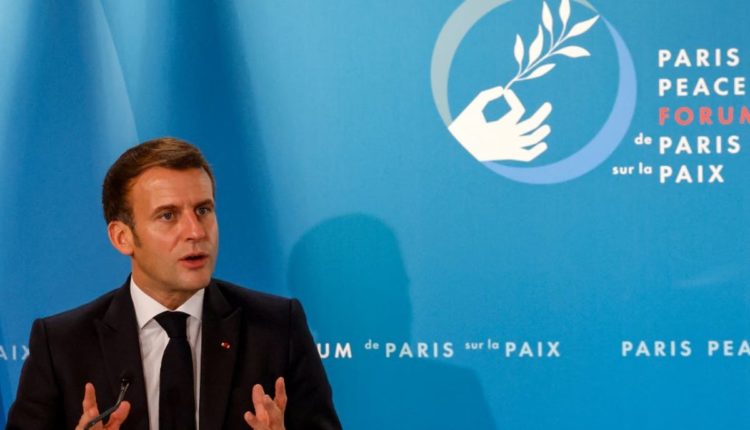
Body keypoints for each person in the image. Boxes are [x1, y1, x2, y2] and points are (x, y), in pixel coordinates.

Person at [6, 137, 341, 430]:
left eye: (203, 210)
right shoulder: (63, 345)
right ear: (122, 237)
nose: (196, 231)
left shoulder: (276, 329)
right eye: (168, 215)